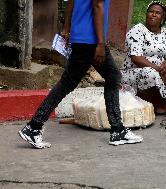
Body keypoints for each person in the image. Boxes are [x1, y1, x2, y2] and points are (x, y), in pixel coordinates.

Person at [18, 0, 143, 148]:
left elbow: (71, 1)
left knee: (106, 77)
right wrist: (101, 44)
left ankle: (117, 129)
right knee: (77, 82)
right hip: (91, 40)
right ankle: (34, 126)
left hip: (81, 38)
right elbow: (98, 5)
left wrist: (66, 28)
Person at [121, 1, 166, 115]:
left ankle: (164, 105)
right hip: (135, 72)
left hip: (160, 70)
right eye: (151, 12)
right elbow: (136, 58)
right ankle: (148, 106)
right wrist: (159, 70)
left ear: (163, 17)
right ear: (146, 14)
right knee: (149, 73)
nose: (154, 15)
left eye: (158, 13)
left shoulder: (165, 32)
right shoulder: (137, 30)